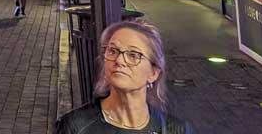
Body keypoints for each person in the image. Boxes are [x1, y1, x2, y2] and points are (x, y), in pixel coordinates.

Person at [54, 20, 194, 133]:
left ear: (153, 73)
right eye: (113, 51)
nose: (119, 61)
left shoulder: (176, 130)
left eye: (133, 55)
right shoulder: (75, 127)